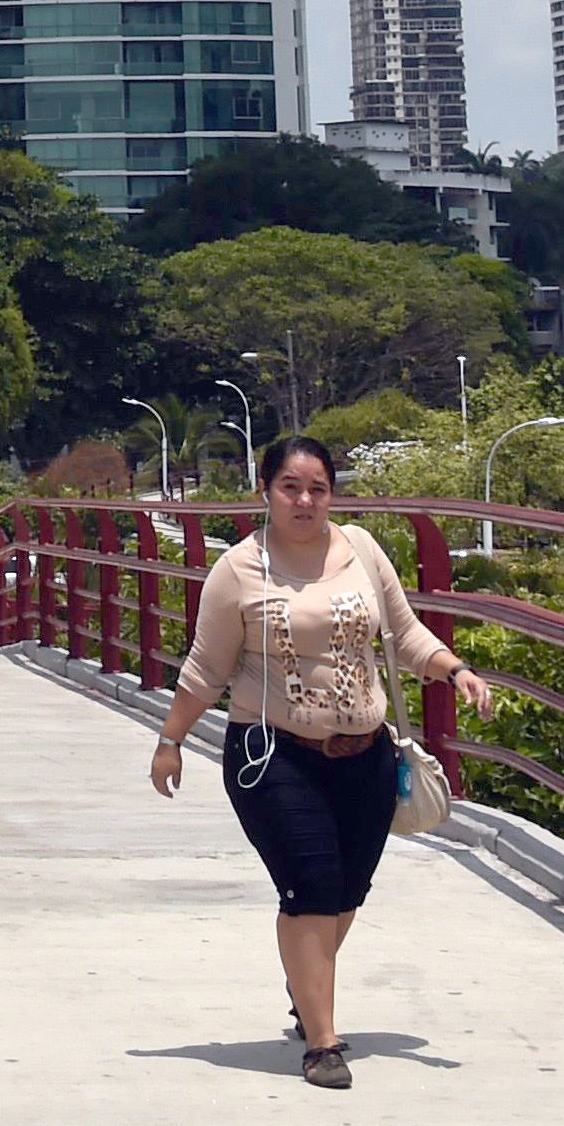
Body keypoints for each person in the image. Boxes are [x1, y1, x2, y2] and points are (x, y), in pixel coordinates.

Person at [144, 433, 493, 1088]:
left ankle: (305, 980)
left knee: (345, 893)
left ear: (332, 494)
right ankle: (321, 1044)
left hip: (364, 753)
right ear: (266, 492)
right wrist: (170, 741)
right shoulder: (240, 570)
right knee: (310, 886)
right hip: (272, 752)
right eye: (290, 488)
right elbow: (205, 668)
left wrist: (454, 669)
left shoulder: (360, 550)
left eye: (318, 489)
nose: (305, 501)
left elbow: (406, 629)